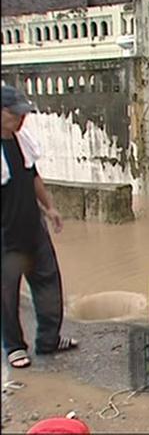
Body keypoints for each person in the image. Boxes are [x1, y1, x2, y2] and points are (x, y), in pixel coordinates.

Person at [2, 85, 78, 369]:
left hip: (33, 227)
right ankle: (14, 347)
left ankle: (48, 339)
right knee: (7, 294)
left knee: (48, 282)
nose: (20, 120)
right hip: (6, 235)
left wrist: (51, 208)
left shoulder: (22, 140)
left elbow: (33, 175)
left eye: (22, 114)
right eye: (14, 114)